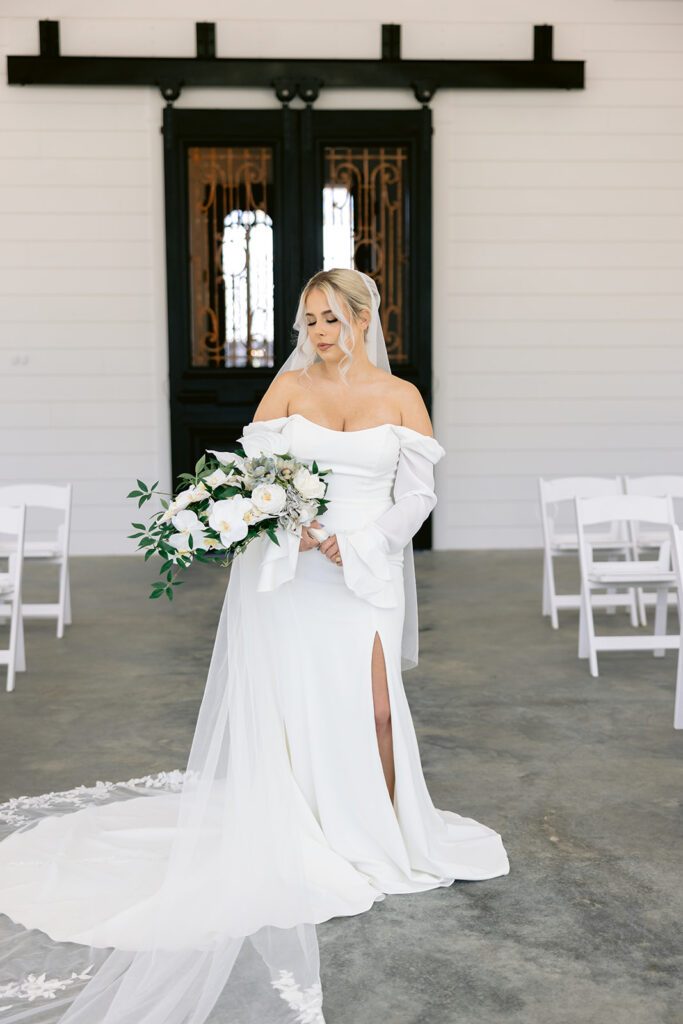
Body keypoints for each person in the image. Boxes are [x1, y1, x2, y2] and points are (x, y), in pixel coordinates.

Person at [0, 269, 509, 1024]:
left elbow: (418, 494)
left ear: (363, 318)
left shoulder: (401, 396)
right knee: (296, 702)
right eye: (309, 320)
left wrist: (362, 541)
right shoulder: (290, 390)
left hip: (365, 569)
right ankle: (306, 827)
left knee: (374, 710)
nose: (319, 333)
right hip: (294, 573)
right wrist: (287, 527)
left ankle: (388, 834)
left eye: (331, 318)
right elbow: (249, 479)